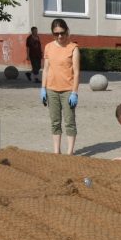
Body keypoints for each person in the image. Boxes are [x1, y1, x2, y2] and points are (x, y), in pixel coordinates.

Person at [40, 18, 80, 155]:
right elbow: (46, 69)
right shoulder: (48, 47)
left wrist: (75, 92)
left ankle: (70, 152)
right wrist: (43, 88)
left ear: (67, 31)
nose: (60, 36)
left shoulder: (73, 48)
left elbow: (76, 72)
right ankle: (56, 151)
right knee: (55, 121)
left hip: (68, 90)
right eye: (56, 34)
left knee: (69, 121)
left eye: (62, 33)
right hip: (51, 90)